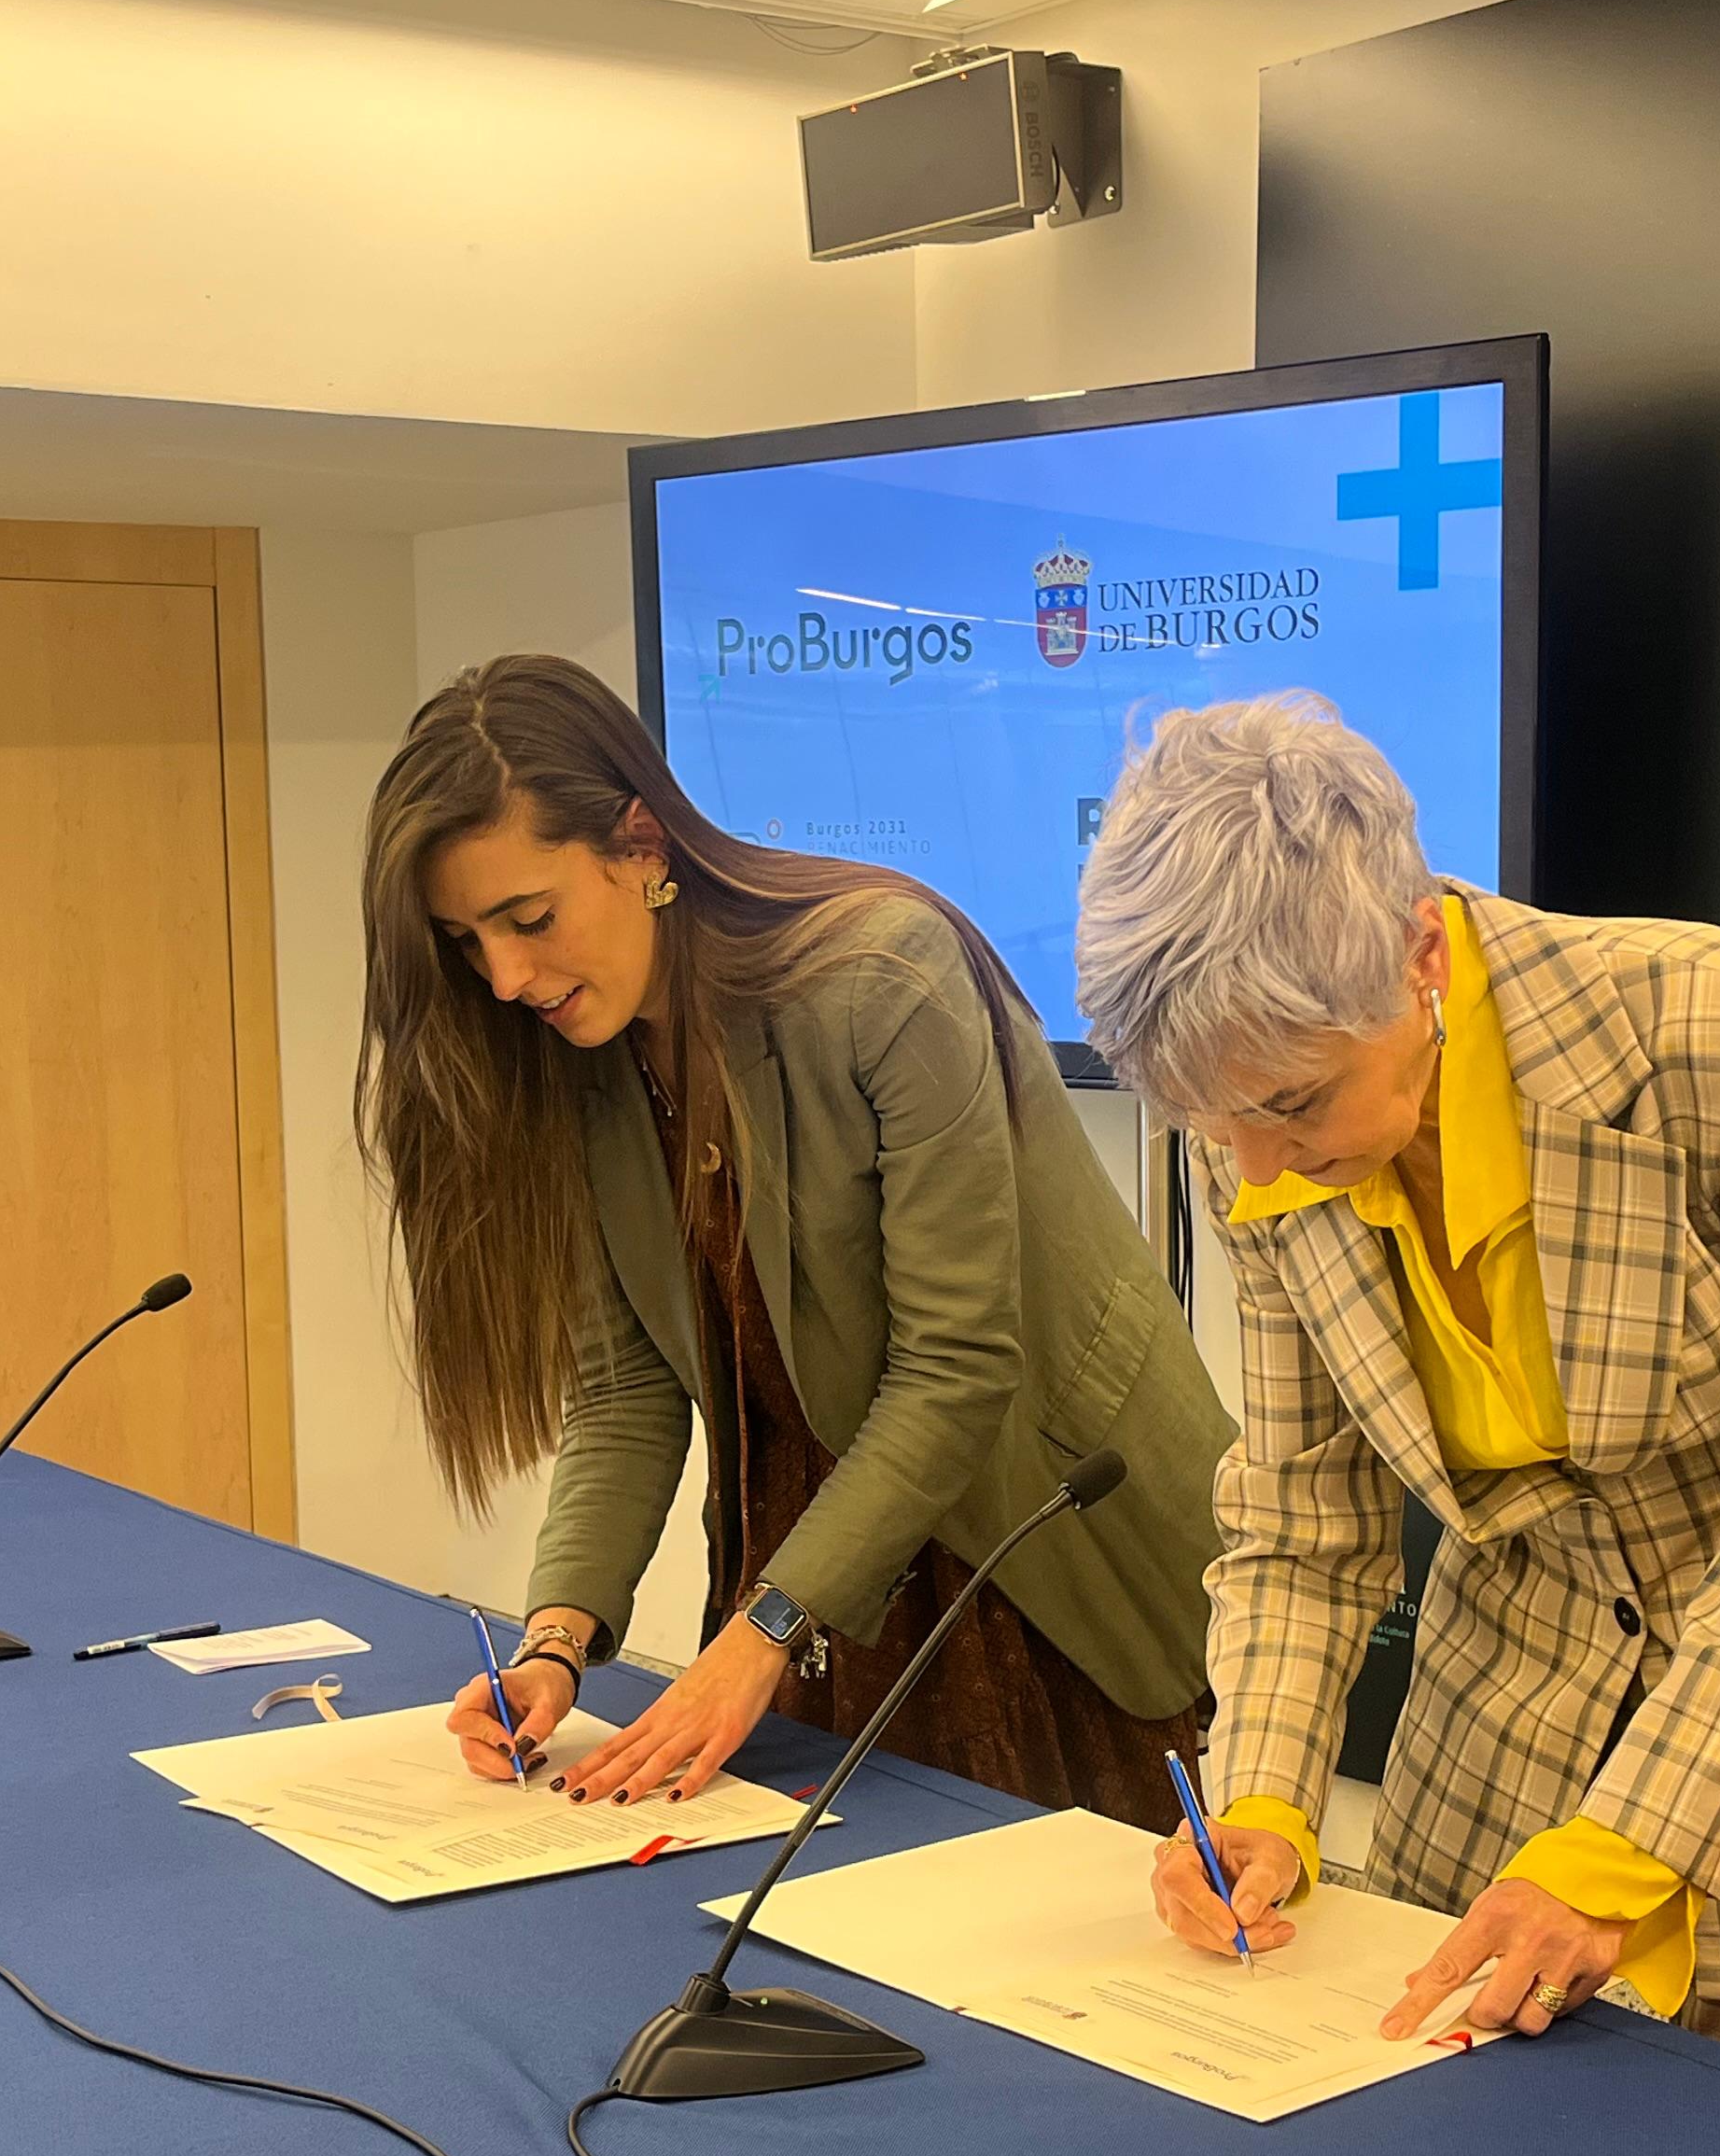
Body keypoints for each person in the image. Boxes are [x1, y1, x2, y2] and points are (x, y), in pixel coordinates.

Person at [1072, 695, 1720, 2097]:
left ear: (1416, 961)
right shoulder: (1246, 1125)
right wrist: (1261, 1796)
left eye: (1295, 1105)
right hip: (1506, 1731)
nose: (1259, 1159)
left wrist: (1621, 1853)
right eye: (1219, 1123)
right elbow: (1297, 1518)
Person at [356, 654, 1231, 1830]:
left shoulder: (882, 972)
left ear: (644, 844)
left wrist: (761, 1630)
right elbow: (626, 1387)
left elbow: (956, 1368)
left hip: (1040, 1559)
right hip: (819, 1584)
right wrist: (556, 1643)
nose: (506, 978)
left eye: (530, 919)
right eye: (467, 942)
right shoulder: (584, 1057)